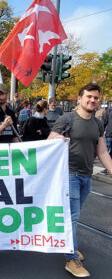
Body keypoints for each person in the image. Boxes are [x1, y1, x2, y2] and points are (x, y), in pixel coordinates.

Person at [48, 83, 112, 277]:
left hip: (87, 175)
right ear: (79, 99)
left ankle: (68, 245)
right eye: (89, 97)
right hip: (69, 175)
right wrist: (56, 140)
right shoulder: (66, 119)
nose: (93, 100)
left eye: (95, 98)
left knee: (74, 215)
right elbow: (48, 142)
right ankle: (70, 258)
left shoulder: (98, 123)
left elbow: (102, 151)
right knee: (73, 216)